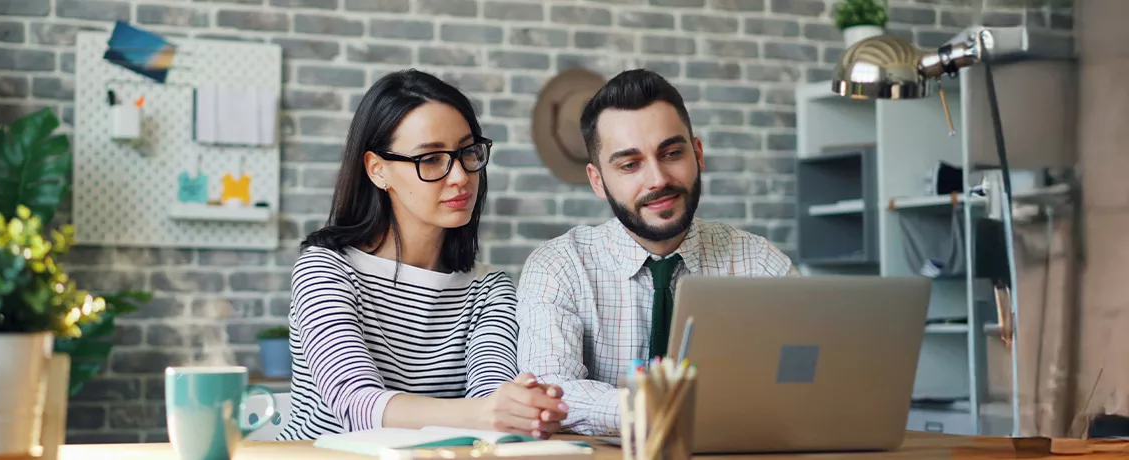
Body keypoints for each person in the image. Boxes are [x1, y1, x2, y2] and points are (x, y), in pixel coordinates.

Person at [277, 69, 568, 441]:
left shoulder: (489, 288)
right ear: (378, 170)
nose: (460, 176)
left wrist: (518, 409)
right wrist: (488, 412)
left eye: (467, 152)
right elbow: (356, 404)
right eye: (430, 159)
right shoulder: (326, 268)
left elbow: (490, 399)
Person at [514, 69, 798, 436]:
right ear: (598, 180)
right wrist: (659, 409)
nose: (658, 179)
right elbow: (552, 392)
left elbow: (810, 379)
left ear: (697, 154)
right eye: (630, 164)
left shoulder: (760, 263)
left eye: (672, 153)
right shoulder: (559, 266)